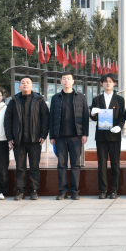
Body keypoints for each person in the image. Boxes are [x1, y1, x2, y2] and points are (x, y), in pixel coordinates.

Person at [4, 76, 50, 200]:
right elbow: (7, 120)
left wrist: (43, 135)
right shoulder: (14, 100)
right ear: (19, 86)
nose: (25, 84)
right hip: (18, 140)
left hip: (35, 140)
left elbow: (45, 118)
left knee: (34, 166)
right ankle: (20, 191)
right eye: (23, 83)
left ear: (32, 86)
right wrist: (10, 137)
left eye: (28, 82)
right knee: (20, 166)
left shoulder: (39, 100)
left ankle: (34, 190)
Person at [49, 72, 90, 200]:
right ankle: (62, 191)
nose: (66, 81)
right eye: (64, 79)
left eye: (69, 79)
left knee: (75, 164)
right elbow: (52, 117)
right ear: (61, 82)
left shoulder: (81, 97)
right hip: (60, 136)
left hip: (76, 136)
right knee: (61, 164)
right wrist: (52, 136)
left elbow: (85, 116)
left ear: (73, 81)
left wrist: (85, 134)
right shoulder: (56, 97)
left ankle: (74, 191)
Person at [91, 73, 126, 199]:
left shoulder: (120, 99)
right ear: (101, 84)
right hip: (101, 135)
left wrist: (120, 126)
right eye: (105, 81)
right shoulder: (97, 99)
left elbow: (123, 116)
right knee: (102, 164)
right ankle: (103, 189)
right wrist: (93, 114)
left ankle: (114, 190)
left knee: (115, 163)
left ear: (114, 83)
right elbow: (94, 117)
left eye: (110, 81)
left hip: (114, 135)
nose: (108, 83)